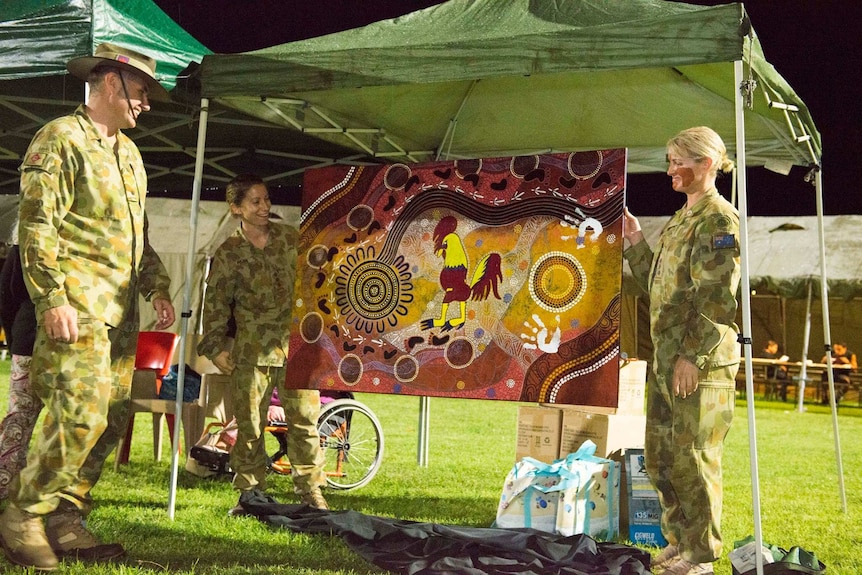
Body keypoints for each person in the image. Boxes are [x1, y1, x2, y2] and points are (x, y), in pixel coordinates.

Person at [0, 43, 175, 571]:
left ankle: (65, 517)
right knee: (78, 414)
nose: (146, 103)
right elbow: (35, 227)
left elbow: (136, 235)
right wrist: (52, 296)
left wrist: (157, 287)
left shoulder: (130, 155)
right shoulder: (60, 139)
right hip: (77, 307)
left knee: (111, 418)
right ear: (110, 83)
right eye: (141, 91)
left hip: (122, 314)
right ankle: (22, 515)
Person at [623, 126, 740, 575]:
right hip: (667, 359)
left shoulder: (718, 220)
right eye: (670, 160)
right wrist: (635, 240)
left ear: (706, 164)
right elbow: (659, 286)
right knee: (661, 456)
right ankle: (680, 542)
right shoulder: (680, 218)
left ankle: (701, 556)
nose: (670, 169)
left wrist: (692, 356)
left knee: (694, 457)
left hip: (698, 362)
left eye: (679, 161)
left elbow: (717, 298)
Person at [197, 173, 328, 516]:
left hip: (296, 347)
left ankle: (311, 492)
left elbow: (317, 283)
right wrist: (214, 347)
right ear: (236, 208)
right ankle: (251, 494)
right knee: (250, 425)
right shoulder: (228, 253)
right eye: (255, 202)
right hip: (251, 351)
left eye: (267, 200)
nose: (264, 207)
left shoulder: (291, 239)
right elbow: (215, 303)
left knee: (303, 420)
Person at [0, 244, 40, 500]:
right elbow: (8, 295)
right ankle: (6, 487)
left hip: (29, 338)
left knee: (19, 420)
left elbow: (7, 296)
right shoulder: (26, 241)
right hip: (30, 339)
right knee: (18, 422)